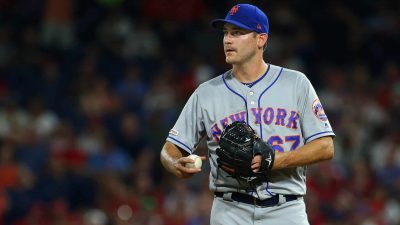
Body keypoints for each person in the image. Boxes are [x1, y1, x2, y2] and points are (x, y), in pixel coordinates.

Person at [160, 3, 335, 225]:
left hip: (287, 210)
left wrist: (276, 160)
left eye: (238, 33)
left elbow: (325, 146)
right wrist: (175, 163)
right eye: (226, 33)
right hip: (229, 211)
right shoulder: (206, 93)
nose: (227, 40)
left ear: (261, 39)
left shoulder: (296, 83)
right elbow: (170, 149)